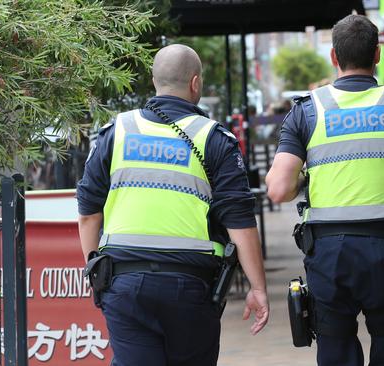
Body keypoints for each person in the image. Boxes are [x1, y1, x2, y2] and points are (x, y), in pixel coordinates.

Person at [266, 14, 384, 366]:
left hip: (329, 255)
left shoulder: (307, 111)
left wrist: (307, 179)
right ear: (377, 55)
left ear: (333, 57)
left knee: (336, 353)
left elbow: (278, 189)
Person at [77, 44, 269, 366]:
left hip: (124, 284)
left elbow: (88, 213)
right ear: (196, 83)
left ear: (154, 80)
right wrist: (258, 288)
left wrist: (95, 273)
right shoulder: (215, 139)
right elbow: (240, 223)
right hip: (190, 287)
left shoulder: (118, 131)